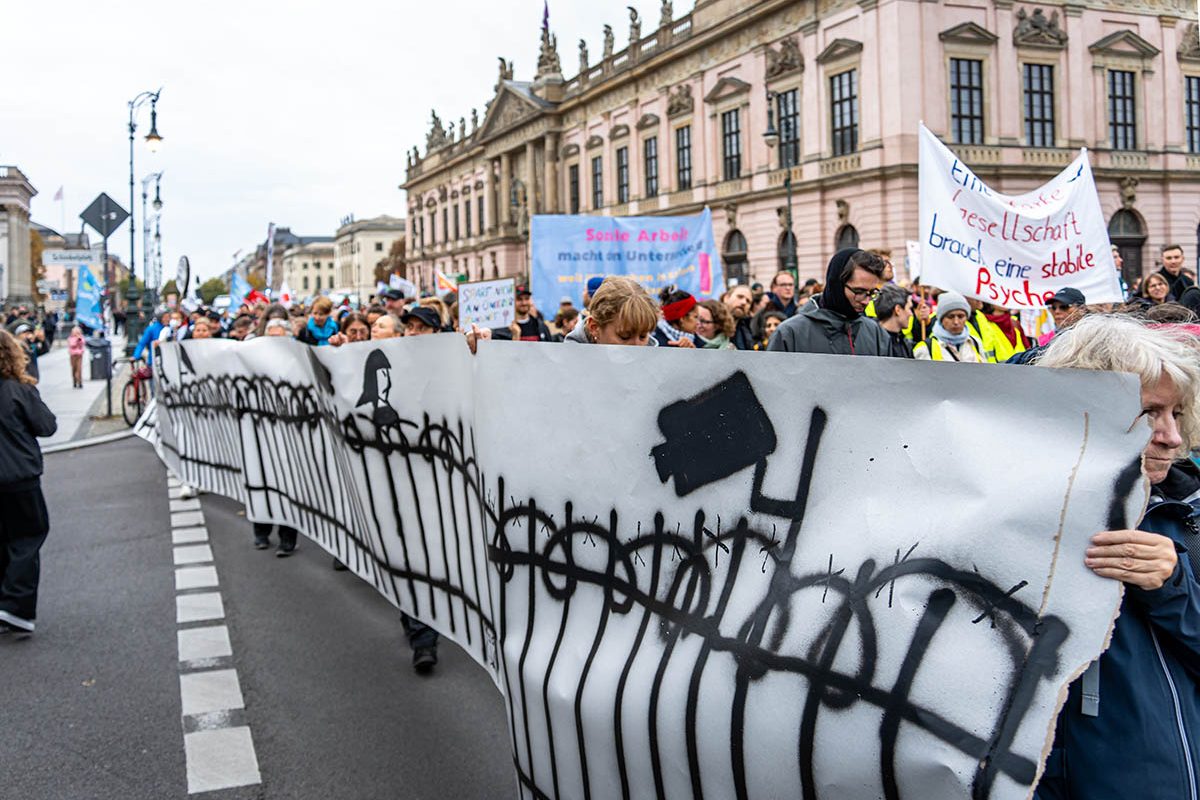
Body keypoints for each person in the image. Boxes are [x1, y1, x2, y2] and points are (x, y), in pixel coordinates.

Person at [1033, 314, 1200, 800]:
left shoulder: (1189, 516)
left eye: (1177, 414)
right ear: (1083, 410)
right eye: (1150, 413)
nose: (1171, 436)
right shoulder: (1015, 518)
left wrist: (1173, 588)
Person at [0, 329, 57, 635]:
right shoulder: (18, 390)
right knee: (27, 536)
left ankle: (4, 602)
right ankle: (15, 606)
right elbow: (47, 426)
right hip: (19, 476)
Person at [768, 249, 891, 356]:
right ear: (837, 284)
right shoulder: (789, 334)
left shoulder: (877, 334)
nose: (866, 301)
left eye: (872, 293)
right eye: (859, 291)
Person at [562, 276, 658, 346]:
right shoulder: (567, 366)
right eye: (624, 337)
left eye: (643, 336)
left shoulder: (656, 364)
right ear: (594, 327)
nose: (637, 347)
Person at [913, 291, 986, 362]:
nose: (956, 322)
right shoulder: (925, 348)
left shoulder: (975, 343)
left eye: (961, 316)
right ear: (941, 319)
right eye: (950, 317)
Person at [874, 284, 914, 358]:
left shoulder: (904, 343)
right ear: (898, 310)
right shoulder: (874, 343)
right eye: (909, 308)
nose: (911, 314)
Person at [722, 285, 756, 350]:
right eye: (740, 297)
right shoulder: (709, 322)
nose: (744, 302)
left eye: (748, 301)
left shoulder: (749, 332)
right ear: (726, 298)